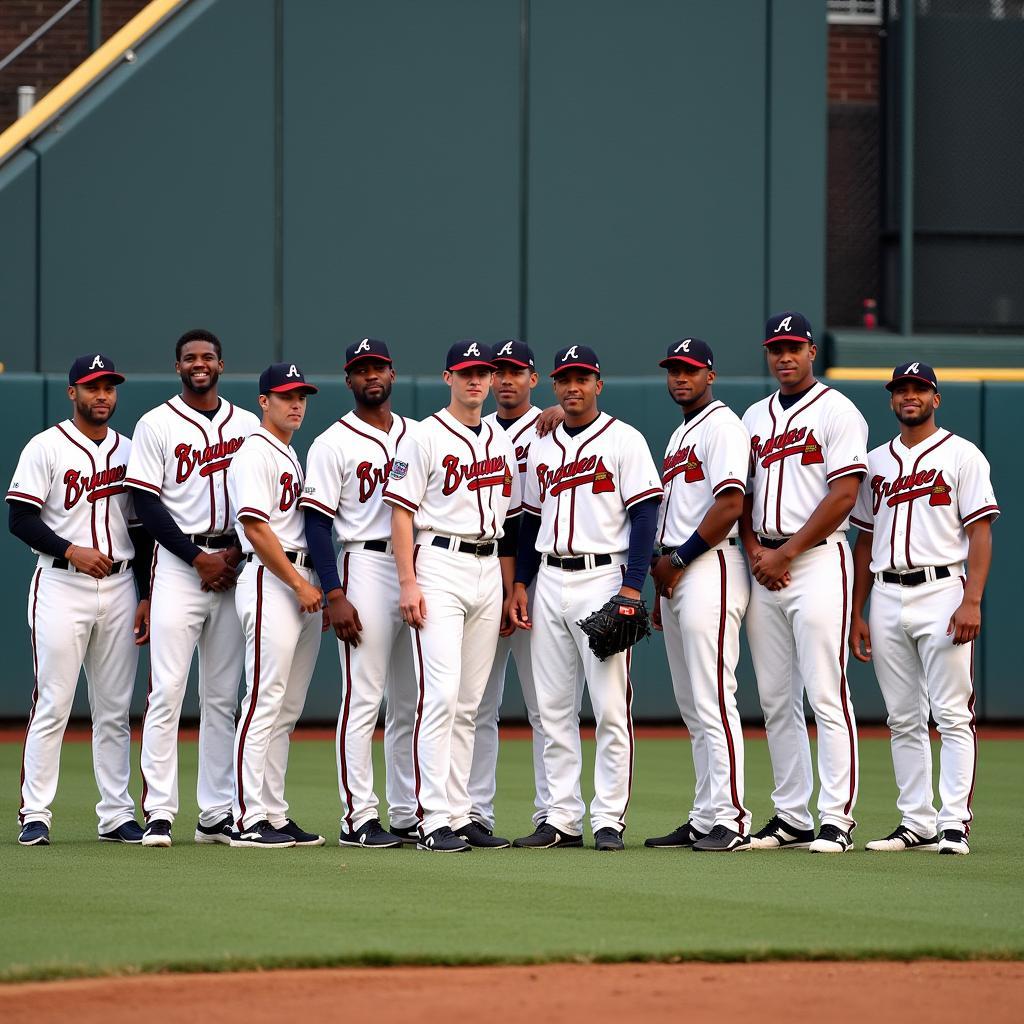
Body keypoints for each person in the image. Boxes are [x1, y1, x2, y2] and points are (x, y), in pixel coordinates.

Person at [510, 344, 662, 851]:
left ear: (599, 384)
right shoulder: (543, 445)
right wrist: (520, 584)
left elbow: (644, 517)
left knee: (610, 706)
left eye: (583, 378)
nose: (573, 387)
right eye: (564, 380)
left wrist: (631, 587)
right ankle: (561, 818)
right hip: (549, 577)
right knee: (553, 708)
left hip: (603, 576)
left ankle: (609, 819)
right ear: (554, 386)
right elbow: (530, 520)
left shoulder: (625, 439)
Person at [850, 362, 997, 856]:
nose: (909, 395)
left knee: (952, 714)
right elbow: (865, 541)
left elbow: (980, 533)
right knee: (902, 717)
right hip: (887, 592)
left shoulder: (963, 455)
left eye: (919, 389)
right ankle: (916, 820)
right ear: (892, 399)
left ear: (936, 398)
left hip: (941, 589)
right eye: (901, 389)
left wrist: (971, 599)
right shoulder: (875, 463)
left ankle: (953, 822)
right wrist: (857, 611)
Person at [8, 354, 152, 846]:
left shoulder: (130, 450)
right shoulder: (45, 447)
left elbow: (141, 528)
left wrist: (147, 594)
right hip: (60, 583)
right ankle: (36, 814)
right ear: (73, 393)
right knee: (54, 703)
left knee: (114, 709)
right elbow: (20, 519)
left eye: (109, 387)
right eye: (92, 387)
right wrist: (71, 549)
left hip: (118, 585)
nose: (103, 395)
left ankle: (116, 815)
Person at [383, 341, 521, 853]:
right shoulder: (422, 436)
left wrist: (508, 588)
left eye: (483, 373)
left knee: (469, 702)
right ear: (448, 378)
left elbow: (507, 522)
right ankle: (431, 818)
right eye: (466, 373)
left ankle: (460, 815)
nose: (476, 381)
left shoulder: (500, 442)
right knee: (438, 697)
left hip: (487, 568)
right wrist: (408, 582)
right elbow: (400, 513)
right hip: (437, 562)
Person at [126, 328, 259, 848]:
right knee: (167, 692)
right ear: (177, 365)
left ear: (221, 365)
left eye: (207, 357)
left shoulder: (246, 424)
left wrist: (232, 554)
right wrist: (197, 558)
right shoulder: (156, 424)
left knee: (222, 697)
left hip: (232, 560)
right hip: (181, 568)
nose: (199, 364)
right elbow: (146, 506)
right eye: (189, 358)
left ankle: (216, 813)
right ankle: (159, 811)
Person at [740, 312, 867, 854]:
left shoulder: (839, 410)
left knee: (825, 690)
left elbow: (844, 495)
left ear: (812, 350)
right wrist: (754, 550)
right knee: (774, 697)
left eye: (793, 346)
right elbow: (738, 494)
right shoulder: (753, 416)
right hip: (764, 560)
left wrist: (785, 552)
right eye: (776, 348)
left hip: (816, 559)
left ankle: (836, 817)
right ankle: (791, 816)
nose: (784, 356)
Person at [301, 338, 417, 848]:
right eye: (361, 369)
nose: (371, 375)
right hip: (363, 565)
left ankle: (408, 811)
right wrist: (333, 592)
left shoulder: (419, 435)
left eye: (378, 367)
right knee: (363, 697)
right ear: (348, 380)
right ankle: (358, 817)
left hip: (414, 566)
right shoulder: (332, 442)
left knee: (412, 699)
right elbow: (315, 522)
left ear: (392, 373)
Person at [467, 339, 577, 844]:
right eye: (499, 371)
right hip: (482, 573)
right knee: (476, 705)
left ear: (535, 379)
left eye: (516, 371)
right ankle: (472, 813)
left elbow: (591, 420)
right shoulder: (473, 429)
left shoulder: (554, 428)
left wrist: (523, 584)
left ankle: (553, 815)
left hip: (537, 578)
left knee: (546, 706)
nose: (506, 379)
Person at [646, 339, 752, 852]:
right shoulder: (680, 432)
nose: (680, 377)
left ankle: (731, 817)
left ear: (710, 373)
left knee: (713, 698)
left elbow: (731, 503)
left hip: (710, 564)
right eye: (674, 370)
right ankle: (705, 813)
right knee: (692, 704)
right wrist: (664, 578)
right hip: (680, 571)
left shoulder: (724, 426)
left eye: (689, 370)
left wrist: (679, 561)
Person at [227, 363, 325, 848]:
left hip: (297, 578)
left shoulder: (288, 453)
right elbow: (255, 528)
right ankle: (246, 817)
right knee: (263, 700)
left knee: (286, 707)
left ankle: (274, 812)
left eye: (301, 396)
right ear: (263, 401)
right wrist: (298, 584)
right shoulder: (254, 451)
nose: (296, 403)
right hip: (273, 578)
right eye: (285, 396)